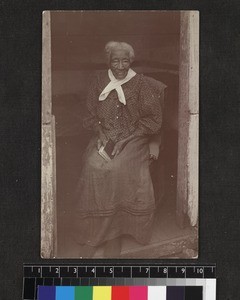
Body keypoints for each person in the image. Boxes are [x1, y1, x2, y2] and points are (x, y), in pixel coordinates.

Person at [72, 41, 166, 257]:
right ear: (109, 61)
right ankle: (94, 233)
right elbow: (90, 115)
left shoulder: (141, 84)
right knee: (93, 166)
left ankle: (115, 233)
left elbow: (153, 119)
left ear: (131, 61)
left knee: (118, 168)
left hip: (135, 137)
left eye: (125, 60)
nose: (121, 65)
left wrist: (129, 137)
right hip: (105, 135)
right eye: (116, 60)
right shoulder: (98, 80)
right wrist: (101, 134)